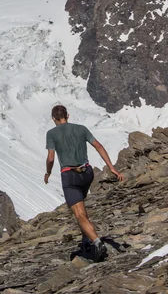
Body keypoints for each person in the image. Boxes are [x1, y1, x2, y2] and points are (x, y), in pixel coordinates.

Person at [44, 104, 124, 262]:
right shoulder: (81, 129)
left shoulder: (51, 134)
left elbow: (51, 158)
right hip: (87, 173)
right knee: (81, 207)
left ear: (53, 118)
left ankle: (97, 242)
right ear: (68, 115)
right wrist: (112, 168)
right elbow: (98, 146)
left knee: (79, 213)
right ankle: (86, 240)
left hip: (70, 175)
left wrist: (48, 172)